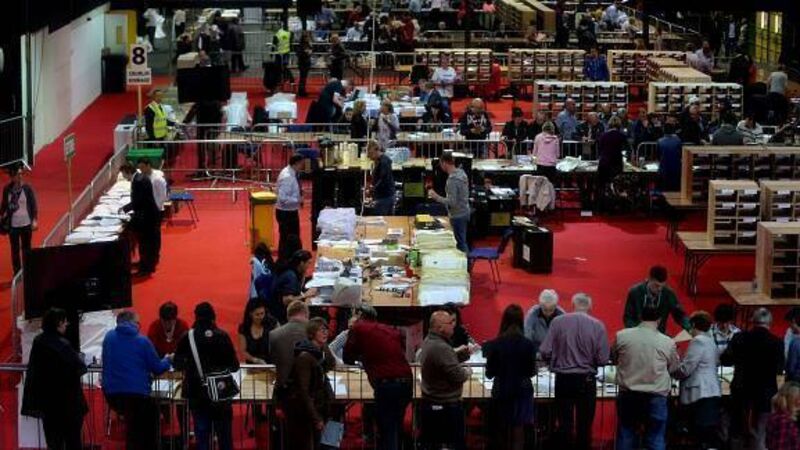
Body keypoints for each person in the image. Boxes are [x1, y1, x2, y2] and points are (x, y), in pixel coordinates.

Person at [539, 293, 609, 450]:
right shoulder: (598, 326)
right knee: (584, 427)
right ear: (590, 307)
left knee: (564, 425)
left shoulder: (558, 322)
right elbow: (603, 359)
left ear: (572, 305)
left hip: (563, 380)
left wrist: (555, 358)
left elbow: (545, 350)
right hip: (586, 381)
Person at [343, 305, 413, 450]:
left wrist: (363, 355)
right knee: (396, 426)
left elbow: (347, 357)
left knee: (387, 430)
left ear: (359, 315)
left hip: (386, 384)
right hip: (406, 381)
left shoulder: (358, 328)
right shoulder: (390, 330)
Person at [173, 302, 240, 450]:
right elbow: (234, 366)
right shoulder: (222, 336)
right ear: (213, 317)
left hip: (197, 392)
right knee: (224, 436)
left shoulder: (187, 337)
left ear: (195, 317)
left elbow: (177, 364)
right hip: (220, 393)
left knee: (202, 436)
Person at [613, 305, 681, 450]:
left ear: (640, 317)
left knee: (626, 433)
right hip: (656, 396)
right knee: (655, 437)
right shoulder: (668, 342)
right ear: (659, 320)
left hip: (629, 395)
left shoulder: (622, 336)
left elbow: (614, 358)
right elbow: (674, 368)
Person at [102, 310, 171, 450]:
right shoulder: (142, 341)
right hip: (136, 395)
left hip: (111, 394)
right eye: (138, 323)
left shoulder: (108, 337)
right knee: (150, 421)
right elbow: (157, 368)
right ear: (133, 323)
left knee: (133, 426)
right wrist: (168, 360)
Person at [21, 308, 87, 450]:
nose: (66, 324)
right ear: (58, 323)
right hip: (68, 404)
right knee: (72, 442)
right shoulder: (63, 345)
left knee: (54, 443)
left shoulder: (38, 341)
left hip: (47, 404)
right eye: (64, 321)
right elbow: (79, 367)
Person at [720, 308, 785, 450]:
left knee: (737, 429)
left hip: (741, 390)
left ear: (752, 321)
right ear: (770, 323)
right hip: (765, 393)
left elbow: (726, 360)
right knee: (760, 432)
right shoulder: (777, 342)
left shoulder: (739, 338)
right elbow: (780, 369)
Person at [481, 304, 536, 450]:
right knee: (519, 428)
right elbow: (531, 372)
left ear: (504, 320)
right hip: (522, 391)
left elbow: (489, 373)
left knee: (501, 429)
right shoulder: (528, 345)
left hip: (502, 390)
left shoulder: (495, 344)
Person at [418, 310, 472, 450]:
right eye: (450, 323)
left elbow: (442, 364)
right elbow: (458, 376)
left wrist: (458, 357)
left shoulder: (430, 340)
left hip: (432, 402)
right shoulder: (441, 347)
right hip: (446, 407)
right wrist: (468, 371)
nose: (453, 325)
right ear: (440, 327)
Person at [285, 317, 336, 450]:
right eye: (321, 330)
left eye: (326, 329)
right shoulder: (305, 357)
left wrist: (324, 346)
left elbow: (331, 364)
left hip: (321, 403)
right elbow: (304, 391)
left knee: (329, 441)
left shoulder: (319, 351)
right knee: (310, 444)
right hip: (306, 410)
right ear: (312, 333)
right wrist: (316, 418)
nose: (325, 333)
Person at [674, 311, 721, 449]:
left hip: (700, 394)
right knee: (707, 435)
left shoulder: (698, 341)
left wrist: (673, 367)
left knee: (698, 435)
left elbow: (686, 369)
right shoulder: (710, 341)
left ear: (693, 324)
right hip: (711, 392)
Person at [121, 158, 160, 276]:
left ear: (128, 172)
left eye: (124, 175)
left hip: (147, 218)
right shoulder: (140, 178)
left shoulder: (138, 181)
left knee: (146, 244)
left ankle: (146, 268)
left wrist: (125, 209)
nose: (124, 177)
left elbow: (139, 201)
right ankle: (146, 263)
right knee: (147, 244)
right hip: (149, 215)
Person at [623, 265, 690, 334]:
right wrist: (637, 332)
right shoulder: (635, 292)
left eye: (662, 286)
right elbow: (628, 317)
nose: (659, 289)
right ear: (649, 279)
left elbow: (679, 315)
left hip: (659, 333)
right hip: (638, 332)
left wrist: (690, 328)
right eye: (656, 285)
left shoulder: (668, 293)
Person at [428, 152, 471, 252]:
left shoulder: (452, 180)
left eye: (440, 164)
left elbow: (452, 202)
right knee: (462, 240)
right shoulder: (461, 173)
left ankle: (465, 261)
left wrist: (436, 197)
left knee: (460, 243)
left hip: (457, 215)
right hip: (464, 211)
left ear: (444, 163)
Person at [1, 165, 37, 275]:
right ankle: (17, 272)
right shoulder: (7, 190)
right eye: (18, 174)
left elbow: (33, 205)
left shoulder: (27, 188)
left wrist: (34, 220)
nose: (21, 176)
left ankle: (28, 270)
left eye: (21, 174)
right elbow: (4, 206)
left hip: (26, 224)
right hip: (13, 226)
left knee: (27, 249)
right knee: (15, 250)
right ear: (12, 177)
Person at [269, 300, 310, 394]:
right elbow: (329, 361)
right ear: (306, 314)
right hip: (311, 389)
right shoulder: (316, 332)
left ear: (288, 316)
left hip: (283, 389)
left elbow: (271, 360)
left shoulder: (273, 334)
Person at [270, 250, 317, 323]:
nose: (309, 266)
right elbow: (286, 300)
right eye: (308, 263)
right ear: (301, 263)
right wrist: (306, 295)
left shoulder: (292, 270)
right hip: (282, 314)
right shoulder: (291, 276)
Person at [276, 154, 304, 258]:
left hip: (289, 211)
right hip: (286, 213)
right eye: (301, 164)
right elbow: (283, 198)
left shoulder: (291, 173)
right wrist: (298, 200)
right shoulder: (287, 177)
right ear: (296, 163)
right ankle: (286, 260)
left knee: (289, 239)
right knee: (287, 239)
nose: (302, 166)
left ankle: (289, 259)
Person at [523, 289, 566, 358]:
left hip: (555, 350)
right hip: (537, 349)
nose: (548, 313)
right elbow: (527, 335)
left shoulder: (562, 316)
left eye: (551, 310)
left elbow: (566, 337)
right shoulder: (531, 315)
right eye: (545, 310)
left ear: (555, 306)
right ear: (540, 305)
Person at [238, 299, 278, 364]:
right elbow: (243, 351)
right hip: (252, 364)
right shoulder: (244, 328)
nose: (260, 317)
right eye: (257, 314)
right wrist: (255, 360)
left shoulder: (272, 324)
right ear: (250, 314)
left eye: (262, 313)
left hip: (271, 363)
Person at [765, 382, 800, 450]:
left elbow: (768, 443)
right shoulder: (784, 421)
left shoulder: (776, 416)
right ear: (792, 400)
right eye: (799, 398)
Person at [367, 140, 396, 216]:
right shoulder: (381, 160)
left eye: (370, 153)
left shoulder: (384, 162)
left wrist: (373, 189)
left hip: (384, 197)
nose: (369, 157)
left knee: (380, 218)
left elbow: (383, 180)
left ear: (376, 150)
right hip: (386, 195)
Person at [656, 121, 682, 192]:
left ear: (663, 130)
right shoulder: (678, 141)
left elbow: (658, 156)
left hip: (664, 170)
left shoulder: (660, 141)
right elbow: (680, 154)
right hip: (676, 170)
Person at [273, 20, 294, 84]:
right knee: (285, 66)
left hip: (279, 53)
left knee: (278, 67)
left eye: (275, 25)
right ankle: (289, 79)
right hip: (286, 52)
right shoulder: (288, 33)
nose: (274, 26)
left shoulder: (277, 34)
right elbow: (291, 38)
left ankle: (280, 80)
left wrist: (271, 53)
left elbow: (274, 44)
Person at [296, 31, 313, 97]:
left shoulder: (308, 44)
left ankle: (302, 91)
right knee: (302, 78)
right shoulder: (301, 45)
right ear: (304, 38)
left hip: (306, 63)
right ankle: (301, 92)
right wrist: (305, 52)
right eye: (307, 37)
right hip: (302, 63)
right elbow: (299, 54)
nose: (308, 38)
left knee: (304, 78)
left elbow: (311, 51)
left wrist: (310, 51)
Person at [786, 312, 800, 381]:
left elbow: (791, 369)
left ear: (794, 321)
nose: (790, 327)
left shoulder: (795, 343)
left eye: (790, 324)